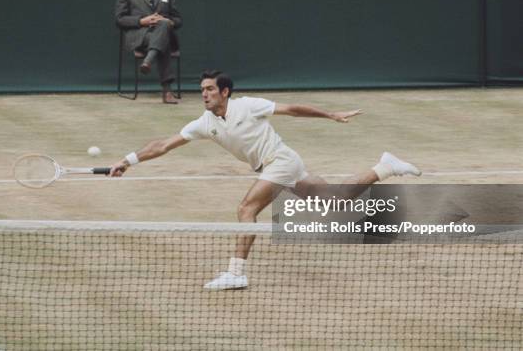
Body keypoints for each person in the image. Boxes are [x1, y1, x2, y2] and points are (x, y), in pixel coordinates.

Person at [108, 70, 422, 290]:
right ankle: (385, 167)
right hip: (281, 164)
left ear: (225, 91)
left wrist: (330, 114)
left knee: (246, 209)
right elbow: (163, 144)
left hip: (280, 161)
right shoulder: (204, 123)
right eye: (202, 89)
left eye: (210, 89)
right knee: (334, 200)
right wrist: (127, 161)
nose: (204, 94)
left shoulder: (247, 106)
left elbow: (292, 110)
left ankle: (236, 273)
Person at [114, 0, 182, 104]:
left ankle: (149, 60)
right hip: (140, 37)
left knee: (163, 26)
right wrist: (141, 21)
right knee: (163, 41)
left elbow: (178, 20)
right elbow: (119, 19)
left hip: (163, 35)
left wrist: (170, 22)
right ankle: (167, 90)